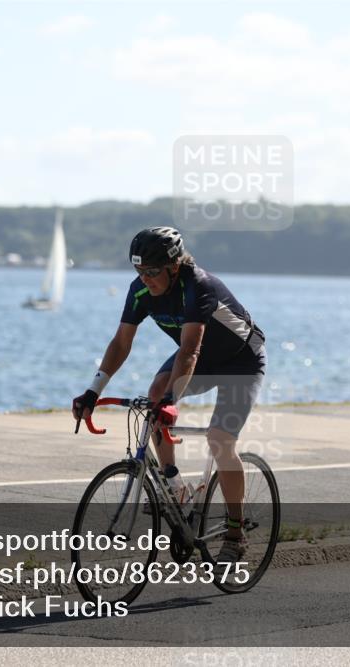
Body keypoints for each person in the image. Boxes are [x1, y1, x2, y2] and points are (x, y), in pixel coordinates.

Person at [72, 227, 266, 562]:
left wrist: (171, 403)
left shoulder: (199, 287)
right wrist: (93, 391)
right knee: (153, 396)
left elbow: (189, 351)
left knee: (219, 439)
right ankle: (174, 486)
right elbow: (121, 343)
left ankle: (236, 531)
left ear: (174, 266)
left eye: (151, 271)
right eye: (138, 271)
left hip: (240, 361)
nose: (144, 279)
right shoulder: (140, 292)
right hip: (202, 358)